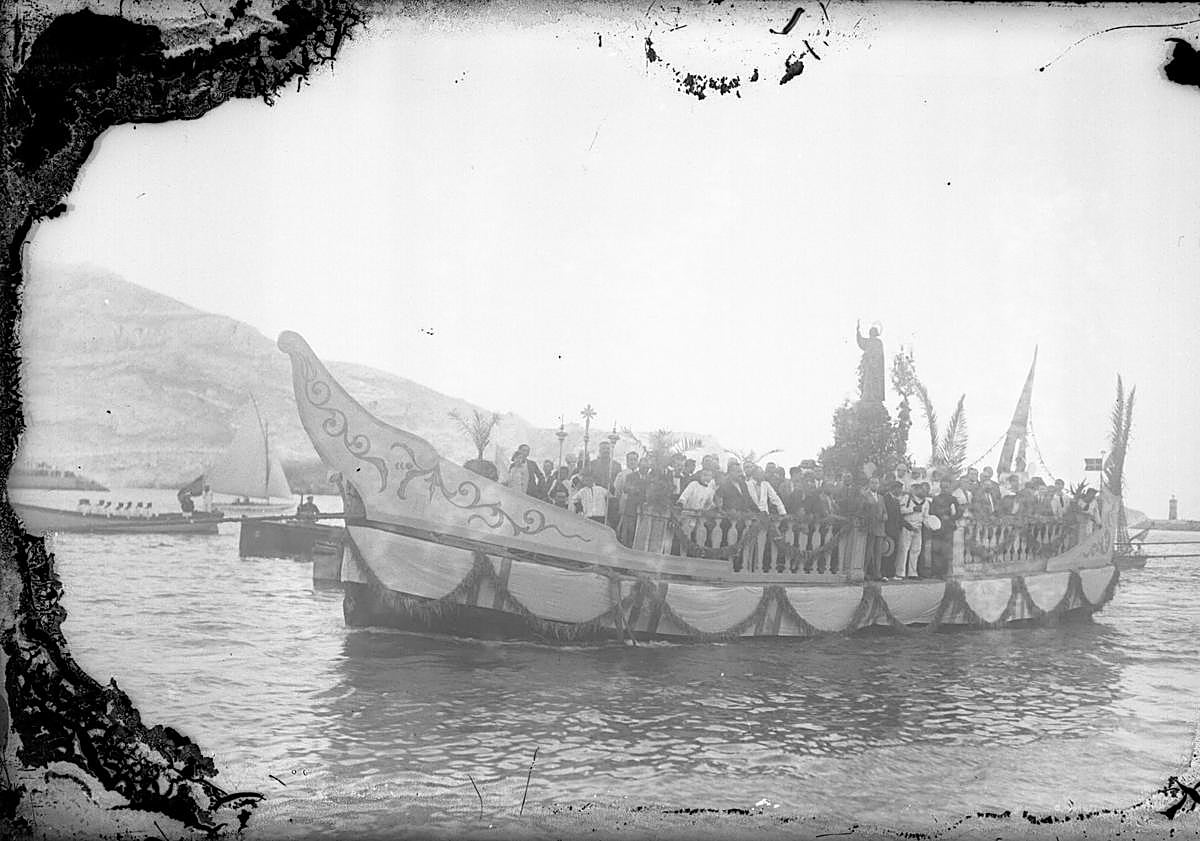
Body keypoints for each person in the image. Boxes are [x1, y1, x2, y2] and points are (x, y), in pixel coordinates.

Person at [929, 480, 962, 577]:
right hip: (937, 528)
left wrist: (951, 518)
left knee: (946, 551)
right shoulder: (936, 499)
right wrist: (938, 518)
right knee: (935, 550)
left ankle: (944, 572)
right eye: (943, 487)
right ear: (940, 488)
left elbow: (959, 512)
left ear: (950, 488)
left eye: (946, 487)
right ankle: (935, 572)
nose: (944, 489)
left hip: (948, 528)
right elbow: (932, 512)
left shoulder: (953, 499)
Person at [897, 482, 930, 579]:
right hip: (908, 526)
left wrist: (930, 524)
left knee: (916, 550)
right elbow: (901, 510)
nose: (923, 492)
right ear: (915, 490)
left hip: (918, 528)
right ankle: (900, 572)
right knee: (904, 549)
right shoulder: (907, 498)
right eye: (920, 489)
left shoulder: (926, 502)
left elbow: (925, 516)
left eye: (924, 490)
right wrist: (913, 509)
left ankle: (912, 573)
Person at [861, 476, 887, 580]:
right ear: (869, 484)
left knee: (878, 552)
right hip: (870, 527)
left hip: (880, 527)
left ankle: (877, 573)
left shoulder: (881, 497)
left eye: (876, 483)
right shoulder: (865, 496)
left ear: (879, 485)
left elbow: (885, 510)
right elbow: (862, 510)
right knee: (868, 552)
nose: (874, 485)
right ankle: (863, 572)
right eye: (872, 483)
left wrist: (885, 515)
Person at [855, 319, 886, 403]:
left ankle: (874, 397)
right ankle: (868, 397)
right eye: (870, 332)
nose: (871, 333)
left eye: (872, 332)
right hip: (868, 366)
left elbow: (880, 355)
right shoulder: (868, 341)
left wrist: (873, 360)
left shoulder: (878, 342)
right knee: (867, 382)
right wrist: (858, 331)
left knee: (874, 383)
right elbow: (861, 342)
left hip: (876, 368)